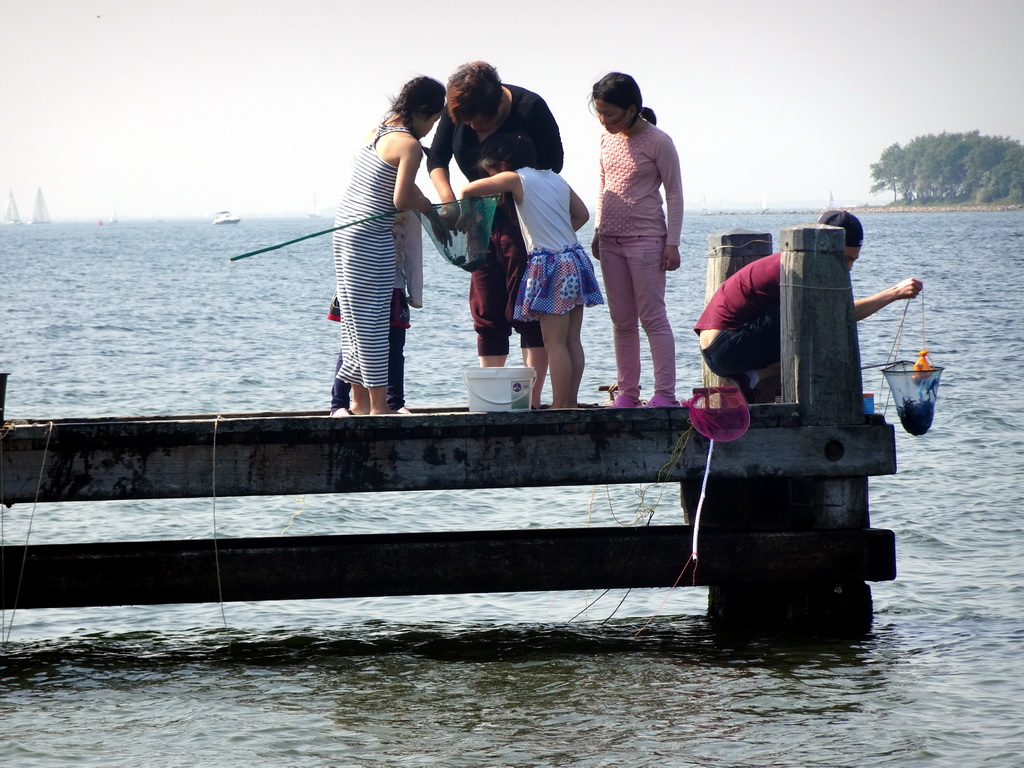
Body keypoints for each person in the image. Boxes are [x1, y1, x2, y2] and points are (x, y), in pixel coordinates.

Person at [428, 61, 563, 408]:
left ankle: (529, 401)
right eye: (466, 122)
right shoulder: (458, 111)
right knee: (486, 307)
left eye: (479, 122)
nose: (473, 127)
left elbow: (552, 166)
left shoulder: (530, 108)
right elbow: (437, 158)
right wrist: (448, 201)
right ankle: (491, 398)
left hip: (522, 220)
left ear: (498, 106)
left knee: (529, 308)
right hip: (479, 219)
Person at [694, 210, 924, 402]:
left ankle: (752, 378)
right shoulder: (800, 267)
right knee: (818, 317)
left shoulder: (798, 260)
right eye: (844, 259)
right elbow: (841, 313)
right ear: (823, 248)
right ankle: (818, 398)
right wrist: (894, 293)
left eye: (853, 260)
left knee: (814, 315)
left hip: (721, 350)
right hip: (725, 347)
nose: (849, 268)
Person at [461, 134, 604, 408]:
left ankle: (561, 404)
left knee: (555, 343)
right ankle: (571, 401)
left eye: (492, 171)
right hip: (574, 258)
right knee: (572, 339)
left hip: (550, 265)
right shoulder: (555, 178)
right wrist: (558, 234)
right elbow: (582, 214)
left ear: (503, 164)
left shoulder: (516, 178)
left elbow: (468, 191)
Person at [332, 76, 445, 416]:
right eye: (433, 121)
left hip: (345, 232)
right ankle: (380, 409)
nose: (429, 130)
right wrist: (428, 206)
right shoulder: (408, 144)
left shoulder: (376, 131)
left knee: (354, 321)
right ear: (423, 112)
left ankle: (358, 402)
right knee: (376, 323)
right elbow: (401, 198)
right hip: (371, 236)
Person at [590, 72, 684, 408]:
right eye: (599, 112)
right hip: (611, 241)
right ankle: (628, 392)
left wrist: (672, 242)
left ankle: (665, 395)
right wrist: (599, 231)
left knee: (653, 318)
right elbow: (602, 186)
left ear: (632, 109)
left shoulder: (659, 141)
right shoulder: (605, 139)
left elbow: (674, 193)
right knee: (622, 322)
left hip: (647, 239)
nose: (604, 120)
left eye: (611, 114)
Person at [328, 211, 422, 416]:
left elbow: (413, 252)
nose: (398, 242)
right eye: (393, 237)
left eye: (400, 237)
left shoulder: (408, 214)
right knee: (352, 345)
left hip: (395, 288)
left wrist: (416, 293)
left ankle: (394, 402)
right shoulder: (364, 210)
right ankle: (339, 404)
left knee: (395, 349)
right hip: (360, 285)